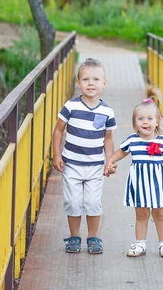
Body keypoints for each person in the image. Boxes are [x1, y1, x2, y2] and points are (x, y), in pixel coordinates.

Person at [52, 58, 116, 254]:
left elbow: (108, 138)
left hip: (95, 165)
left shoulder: (107, 111)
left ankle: (93, 237)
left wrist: (110, 161)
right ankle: (74, 237)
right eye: (86, 79)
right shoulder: (71, 107)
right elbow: (58, 131)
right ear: (78, 83)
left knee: (93, 202)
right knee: (73, 202)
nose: (91, 83)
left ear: (104, 83)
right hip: (71, 164)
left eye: (96, 79)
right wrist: (56, 155)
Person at [104, 87, 163, 258]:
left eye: (150, 119)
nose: (145, 122)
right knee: (141, 214)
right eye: (141, 119)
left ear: (157, 122)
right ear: (135, 123)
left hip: (158, 184)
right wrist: (110, 161)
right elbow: (121, 152)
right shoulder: (133, 140)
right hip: (139, 185)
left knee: (160, 214)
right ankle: (140, 243)